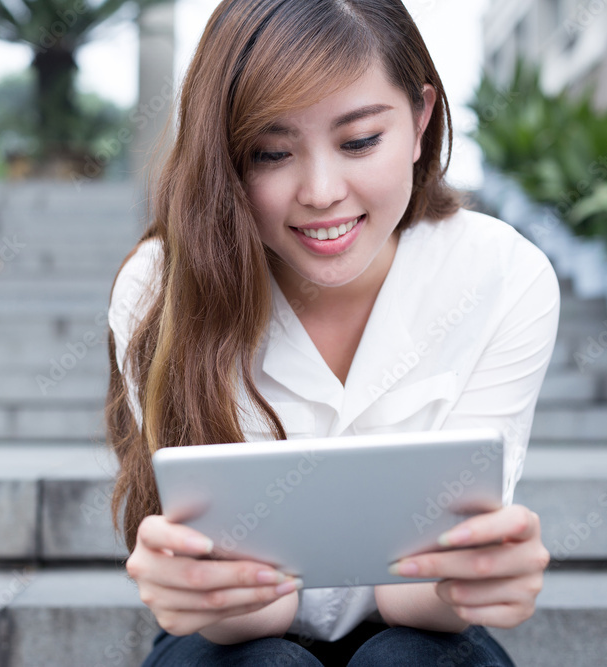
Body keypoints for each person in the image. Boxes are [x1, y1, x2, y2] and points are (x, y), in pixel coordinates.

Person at [104, 0, 559, 664]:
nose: (320, 191)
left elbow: (415, 595)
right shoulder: (158, 287)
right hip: (239, 639)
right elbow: (262, 610)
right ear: (227, 156)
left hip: (421, 630)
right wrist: (200, 586)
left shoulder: (501, 276)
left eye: (359, 141)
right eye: (270, 152)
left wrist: (477, 576)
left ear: (421, 117)